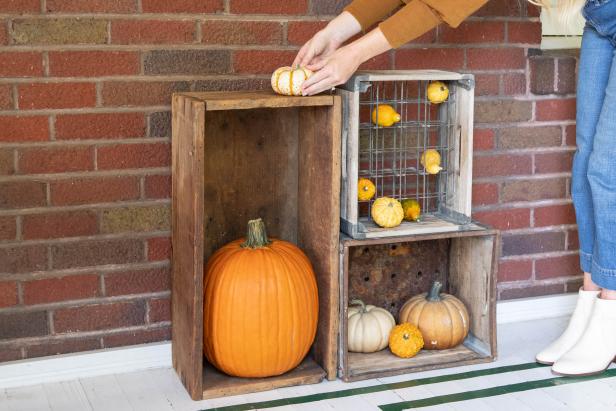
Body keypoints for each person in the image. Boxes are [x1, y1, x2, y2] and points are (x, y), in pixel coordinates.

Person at [295, 0, 616, 377]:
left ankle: (612, 308)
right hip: (602, 17)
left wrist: (353, 55)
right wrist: (334, 34)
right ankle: (592, 300)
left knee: (606, 170)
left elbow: (438, 5)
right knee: (584, 164)